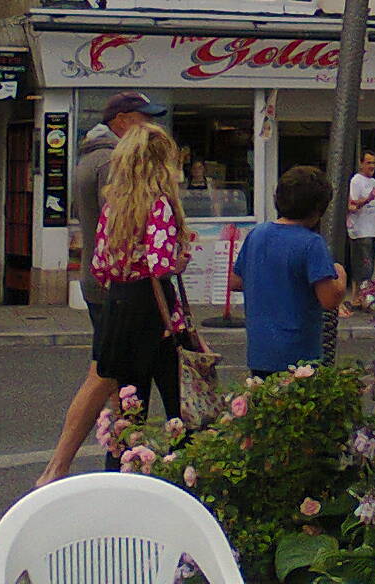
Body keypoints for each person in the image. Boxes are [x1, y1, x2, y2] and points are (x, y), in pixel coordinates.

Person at [38, 122, 194, 486]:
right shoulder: (160, 204)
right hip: (153, 307)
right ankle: (187, 476)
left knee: (128, 402)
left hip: (119, 305)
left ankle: (119, 476)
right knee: (179, 401)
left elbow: (100, 265)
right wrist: (180, 260)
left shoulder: (114, 206)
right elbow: (159, 264)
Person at [229, 165, 346, 378]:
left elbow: (235, 281)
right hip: (299, 354)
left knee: (264, 396)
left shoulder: (257, 235)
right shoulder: (312, 243)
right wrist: (340, 273)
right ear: (318, 208)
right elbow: (329, 299)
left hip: (260, 350)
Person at [73, 92, 168, 352]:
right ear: (122, 120)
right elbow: (121, 223)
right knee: (117, 363)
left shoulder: (92, 156)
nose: (151, 126)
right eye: (145, 118)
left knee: (108, 360)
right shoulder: (112, 160)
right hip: (116, 281)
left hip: (100, 276)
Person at [345, 151, 375, 306]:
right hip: (360, 230)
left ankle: (358, 297)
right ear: (361, 164)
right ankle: (361, 298)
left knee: (370, 266)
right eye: (368, 163)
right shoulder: (356, 181)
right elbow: (352, 204)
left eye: (374, 163)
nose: (372, 166)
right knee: (363, 267)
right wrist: (368, 199)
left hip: (374, 230)